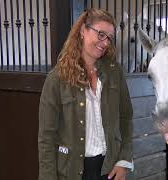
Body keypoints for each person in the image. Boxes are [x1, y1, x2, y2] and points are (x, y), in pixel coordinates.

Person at [38, 8, 133, 180]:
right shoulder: (57, 79)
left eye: (109, 38)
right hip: (72, 172)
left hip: (110, 169)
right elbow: (46, 137)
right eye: (101, 34)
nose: (105, 43)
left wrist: (124, 160)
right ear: (83, 30)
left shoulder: (114, 72)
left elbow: (126, 118)